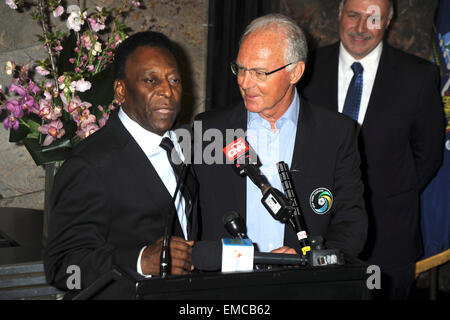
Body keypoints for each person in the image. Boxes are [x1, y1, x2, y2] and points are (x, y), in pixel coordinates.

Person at [301, 0, 445, 299]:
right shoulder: (305, 70)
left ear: (388, 22)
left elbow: (428, 154)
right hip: (315, 234)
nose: (361, 28)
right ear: (340, 14)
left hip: (389, 239)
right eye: (354, 15)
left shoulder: (418, 76)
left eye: (373, 19)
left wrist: (388, 193)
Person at [194, 14, 368, 260]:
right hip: (227, 286)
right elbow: (188, 219)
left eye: (260, 73)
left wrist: (304, 259)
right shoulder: (210, 130)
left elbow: (351, 225)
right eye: (240, 69)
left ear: (295, 72)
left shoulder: (336, 133)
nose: (244, 82)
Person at [43, 31, 199, 299]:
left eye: (174, 79)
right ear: (121, 90)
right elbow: (61, 269)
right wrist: (139, 261)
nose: (167, 91)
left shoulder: (187, 145)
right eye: (151, 80)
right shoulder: (89, 165)